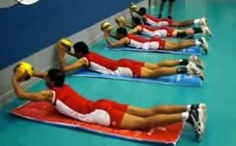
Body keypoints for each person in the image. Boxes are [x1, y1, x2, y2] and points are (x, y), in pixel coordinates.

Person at [12, 67, 206, 141]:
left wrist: (16, 77)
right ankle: (191, 107)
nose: (45, 79)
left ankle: (188, 116)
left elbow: (21, 95)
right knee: (147, 112)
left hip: (100, 114)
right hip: (102, 103)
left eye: (47, 78)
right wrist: (33, 73)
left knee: (142, 123)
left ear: (51, 82)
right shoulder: (64, 84)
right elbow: (49, 75)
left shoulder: (49, 93)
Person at [57, 40, 204, 80]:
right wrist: (69, 52)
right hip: (124, 62)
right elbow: (78, 56)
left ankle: (187, 69)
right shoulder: (89, 54)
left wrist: (60, 54)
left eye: (76, 53)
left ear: (80, 52)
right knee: (156, 66)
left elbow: (64, 70)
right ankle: (186, 61)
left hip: (122, 69)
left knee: (154, 73)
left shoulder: (83, 60)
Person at [102, 23, 209, 54]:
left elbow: (112, 45)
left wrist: (106, 37)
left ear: (121, 35)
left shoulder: (125, 39)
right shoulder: (128, 36)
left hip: (153, 44)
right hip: (154, 41)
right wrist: (110, 34)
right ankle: (198, 42)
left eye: (117, 34)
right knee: (176, 45)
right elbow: (118, 38)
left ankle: (198, 42)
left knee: (176, 47)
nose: (116, 35)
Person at [129, 5, 211, 32]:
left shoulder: (144, 17)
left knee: (181, 24)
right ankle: (199, 22)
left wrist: (133, 10)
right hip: (163, 21)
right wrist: (132, 11)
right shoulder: (146, 14)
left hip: (162, 22)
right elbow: (139, 15)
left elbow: (140, 15)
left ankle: (200, 20)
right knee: (181, 24)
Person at [116, 16, 212, 38]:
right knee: (181, 31)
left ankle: (202, 29)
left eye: (132, 23)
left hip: (162, 31)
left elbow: (127, 34)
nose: (131, 24)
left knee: (181, 33)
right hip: (162, 30)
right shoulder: (140, 26)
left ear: (135, 23)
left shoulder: (138, 28)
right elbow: (131, 28)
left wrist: (121, 26)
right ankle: (201, 28)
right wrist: (124, 25)